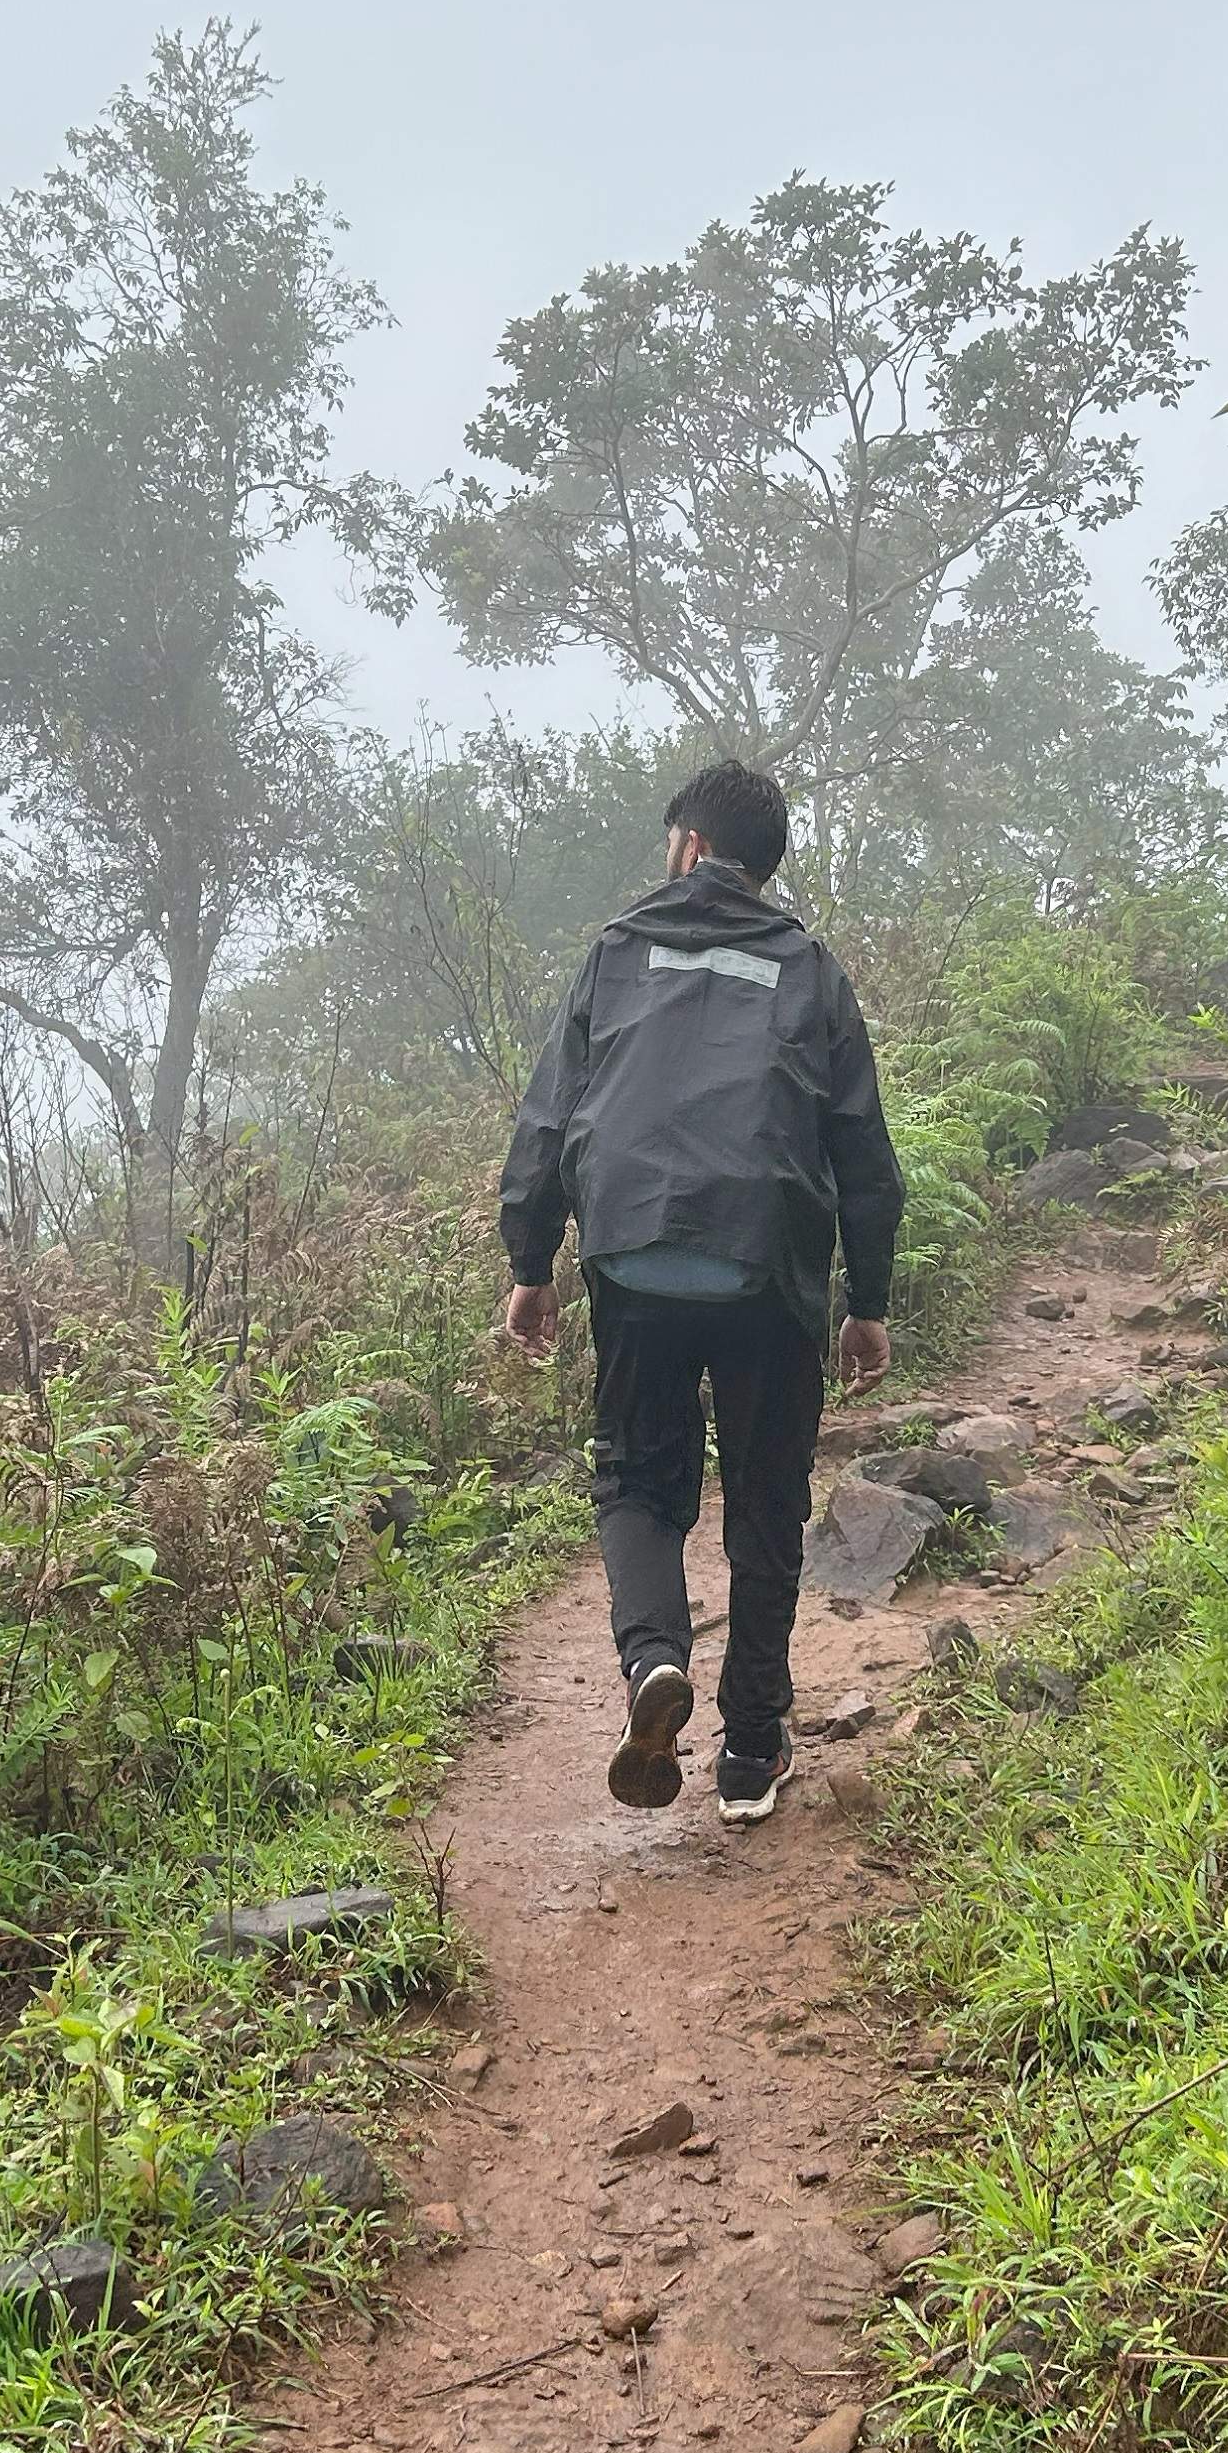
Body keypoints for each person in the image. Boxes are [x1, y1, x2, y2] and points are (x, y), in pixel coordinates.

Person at [498, 759, 902, 1823]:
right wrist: (869, 1297)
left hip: (631, 1253)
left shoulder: (616, 951)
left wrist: (531, 1264)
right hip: (766, 1264)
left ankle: (652, 1665)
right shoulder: (810, 968)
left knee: (637, 1478)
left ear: (686, 845)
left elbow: (547, 1122)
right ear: (760, 866)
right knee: (766, 1500)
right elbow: (862, 1144)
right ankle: (749, 1753)